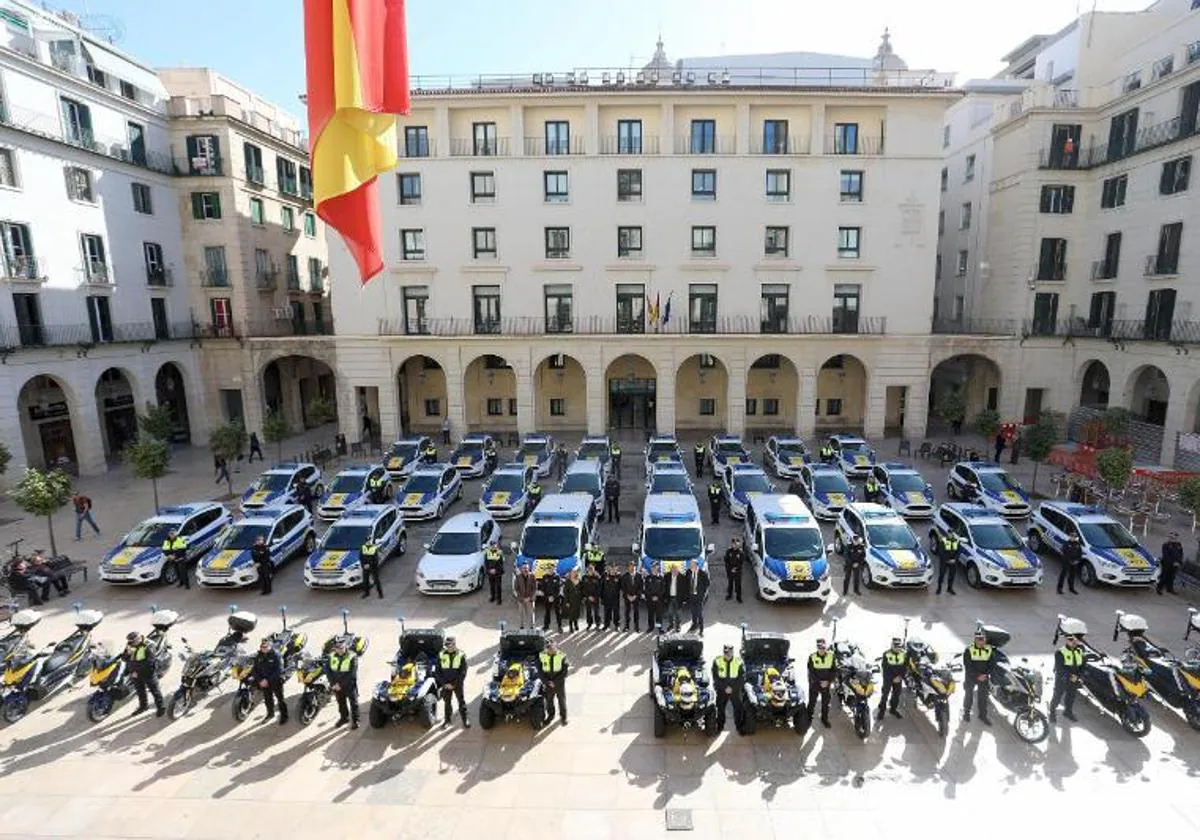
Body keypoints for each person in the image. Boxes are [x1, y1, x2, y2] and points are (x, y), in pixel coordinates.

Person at [125, 631, 164, 717]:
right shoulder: (130, 644)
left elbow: (149, 662)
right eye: (131, 641)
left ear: (139, 638)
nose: (132, 643)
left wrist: (136, 671)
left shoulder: (149, 646)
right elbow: (124, 658)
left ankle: (161, 708)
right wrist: (127, 654)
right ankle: (143, 706)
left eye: (134, 641)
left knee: (155, 691)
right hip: (135, 673)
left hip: (148, 673)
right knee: (140, 691)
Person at [1048, 633, 1085, 723]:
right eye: (1070, 640)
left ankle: (1068, 712)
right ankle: (1052, 713)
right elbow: (1059, 669)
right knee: (1057, 697)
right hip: (1062, 679)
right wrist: (1070, 676)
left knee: (1071, 697)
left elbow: (1083, 665)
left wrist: (1078, 676)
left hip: (1074, 679)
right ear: (1066, 640)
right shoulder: (1060, 652)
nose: (1073, 642)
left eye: (1075, 639)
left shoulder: (1080, 650)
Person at [251, 638, 288, 724]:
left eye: (265, 646)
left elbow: (279, 670)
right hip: (264, 683)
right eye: (262, 647)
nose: (263, 648)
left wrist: (267, 680)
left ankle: (284, 716)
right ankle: (270, 714)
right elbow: (254, 670)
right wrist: (260, 680)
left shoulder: (276, 655)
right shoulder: (258, 656)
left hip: (275, 681)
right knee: (268, 699)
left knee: (280, 699)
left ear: (270, 646)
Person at [435, 636, 470, 728]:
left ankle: (465, 719)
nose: (447, 647)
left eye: (449, 645)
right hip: (446, 684)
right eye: (446, 645)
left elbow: (463, 672)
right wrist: (444, 684)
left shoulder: (461, 655)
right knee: (447, 703)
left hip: (457, 683)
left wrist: (454, 684)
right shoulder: (441, 654)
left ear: (454, 645)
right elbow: (437, 671)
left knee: (461, 701)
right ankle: (447, 721)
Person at [326, 637, 360, 729]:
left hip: (349, 685)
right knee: (341, 703)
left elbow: (352, 673)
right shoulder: (331, 656)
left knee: (354, 703)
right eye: (337, 648)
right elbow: (328, 671)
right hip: (336, 686)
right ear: (335, 648)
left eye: (342, 647)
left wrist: (339, 685)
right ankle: (344, 718)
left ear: (345, 646)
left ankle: (356, 720)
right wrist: (333, 684)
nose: (340, 650)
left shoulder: (353, 656)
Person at [962, 630, 994, 724]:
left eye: (983, 639)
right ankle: (966, 713)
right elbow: (968, 666)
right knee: (969, 695)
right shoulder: (968, 650)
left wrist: (986, 674)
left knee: (983, 697)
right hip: (971, 676)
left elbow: (992, 664)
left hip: (983, 677)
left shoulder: (989, 649)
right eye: (979, 639)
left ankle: (983, 715)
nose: (981, 641)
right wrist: (977, 676)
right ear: (975, 639)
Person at [712, 644, 745, 733]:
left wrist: (732, 688)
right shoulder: (717, 661)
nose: (728, 655)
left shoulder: (738, 661)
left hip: (735, 690)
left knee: (738, 709)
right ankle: (720, 726)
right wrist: (724, 687)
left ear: (733, 652)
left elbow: (742, 678)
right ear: (723, 652)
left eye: (730, 652)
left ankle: (739, 727)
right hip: (722, 690)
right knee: (720, 709)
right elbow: (715, 677)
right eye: (726, 653)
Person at [538, 638, 569, 725]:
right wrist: (547, 681)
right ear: (546, 649)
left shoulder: (562, 656)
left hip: (559, 683)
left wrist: (554, 682)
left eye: (552, 648)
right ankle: (551, 716)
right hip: (547, 683)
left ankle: (563, 717)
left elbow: (565, 672)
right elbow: (539, 671)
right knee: (549, 701)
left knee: (562, 701)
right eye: (549, 649)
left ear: (556, 647)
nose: (551, 650)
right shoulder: (541, 656)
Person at [806, 638, 835, 728]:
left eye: (823, 647)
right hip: (815, 683)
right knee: (812, 702)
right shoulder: (812, 657)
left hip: (826, 684)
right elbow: (811, 672)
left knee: (825, 703)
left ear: (825, 647)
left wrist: (828, 681)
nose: (821, 649)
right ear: (817, 647)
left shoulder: (831, 656)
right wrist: (819, 682)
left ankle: (824, 719)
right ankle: (808, 718)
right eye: (819, 647)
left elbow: (834, 671)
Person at [877, 637, 906, 720]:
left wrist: (900, 677)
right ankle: (882, 711)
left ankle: (893, 709)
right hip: (888, 678)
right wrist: (892, 678)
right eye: (895, 645)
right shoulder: (886, 654)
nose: (897, 647)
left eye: (899, 646)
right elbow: (885, 668)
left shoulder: (903, 654)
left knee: (896, 695)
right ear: (891, 645)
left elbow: (905, 667)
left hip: (898, 678)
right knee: (885, 695)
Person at [686, 560, 709, 635]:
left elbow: (707, 583)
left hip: (699, 596)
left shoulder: (702, 573)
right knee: (693, 611)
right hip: (691, 595)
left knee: (699, 612)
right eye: (690, 565)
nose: (690, 566)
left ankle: (701, 628)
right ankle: (694, 624)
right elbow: (686, 582)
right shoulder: (689, 572)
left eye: (692, 565)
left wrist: (703, 593)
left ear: (696, 565)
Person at [934, 531, 960, 596]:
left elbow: (958, 552)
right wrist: (947, 560)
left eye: (951, 533)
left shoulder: (956, 541)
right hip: (944, 561)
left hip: (953, 562)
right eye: (949, 533)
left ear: (953, 534)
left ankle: (950, 588)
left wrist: (955, 559)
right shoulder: (943, 541)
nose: (950, 534)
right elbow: (940, 552)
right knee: (941, 575)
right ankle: (939, 589)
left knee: (952, 576)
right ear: (947, 533)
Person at [620, 560, 643, 631]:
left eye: (633, 566)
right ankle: (627, 626)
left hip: (636, 597)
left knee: (636, 612)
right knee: (627, 612)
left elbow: (641, 587)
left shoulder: (639, 576)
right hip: (628, 597)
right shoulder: (624, 576)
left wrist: (636, 596)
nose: (632, 568)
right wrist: (628, 596)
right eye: (630, 566)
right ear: (628, 568)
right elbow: (623, 587)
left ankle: (637, 627)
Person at [644, 563, 665, 631]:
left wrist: (657, 597)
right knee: (651, 614)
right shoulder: (648, 577)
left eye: (656, 567)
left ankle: (659, 628)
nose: (654, 569)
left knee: (659, 615)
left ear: (658, 568)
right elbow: (646, 589)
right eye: (653, 567)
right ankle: (651, 627)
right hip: (650, 600)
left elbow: (663, 589)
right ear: (651, 568)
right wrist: (651, 597)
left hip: (659, 600)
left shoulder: (661, 577)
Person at [515, 564, 537, 629]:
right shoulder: (518, 577)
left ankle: (532, 626)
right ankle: (521, 626)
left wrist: (529, 597)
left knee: (531, 614)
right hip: (521, 599)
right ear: (521, 569)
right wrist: (522, 598)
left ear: (529, 569)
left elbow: (535, 588)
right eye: (524, 568)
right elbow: (516, 588)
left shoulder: (532, 576)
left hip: (530, 599)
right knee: (521, 614)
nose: (525, 570)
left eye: (526, 568)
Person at [724, 537, 745, 602]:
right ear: (732, 544)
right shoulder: (729, 551)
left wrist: (736, 569)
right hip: (730, 571)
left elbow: (741, 562)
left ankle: (738, 597)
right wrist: (730, 569)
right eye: (734, 544)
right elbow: (726, 560)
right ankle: (729, 595)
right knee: (730, 584)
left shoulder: (740, 552)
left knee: (738, 585)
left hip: (737, 572)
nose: (735, 545)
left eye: (737, 544)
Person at [581, 565, 602, 629]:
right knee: (588, 611)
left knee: (596, 612)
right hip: (588, 598)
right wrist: (587, 596)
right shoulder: (584, 577)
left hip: (595, 598)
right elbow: (583, 588)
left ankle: (598, 624)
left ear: (594, 569)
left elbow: (599, 589)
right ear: (587, 569)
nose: (590, 570)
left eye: (592, 569)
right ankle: (589, 624)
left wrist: (594, 597)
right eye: (589, 569)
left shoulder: (597, 577)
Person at [601, 566, 622, 631]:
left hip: (615, 599)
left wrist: (619, 575)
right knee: (607, 613)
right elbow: (601, 587)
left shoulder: (618, 577)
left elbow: (622, 586)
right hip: (606, 598)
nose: (613, 570)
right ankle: (606, 625)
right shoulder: (605, 576)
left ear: (616, 569)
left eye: (614, 568)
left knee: (616, 613)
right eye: (611, 568)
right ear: (608, 569)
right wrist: (601, 598)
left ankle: (617, 625)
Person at [665, 565, 684, 632]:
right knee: (670, 613)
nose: (675, 571)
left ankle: (678, 626)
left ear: (678, 570)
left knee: (678, 613)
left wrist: (684, 599)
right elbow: (665, 586)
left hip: (678, 598)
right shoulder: (667, 576)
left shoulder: (681, 577)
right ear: (671, 570)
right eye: (673, 570)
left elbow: (684, 589)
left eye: (676, 570)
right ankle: (671, 625)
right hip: (670, 598)